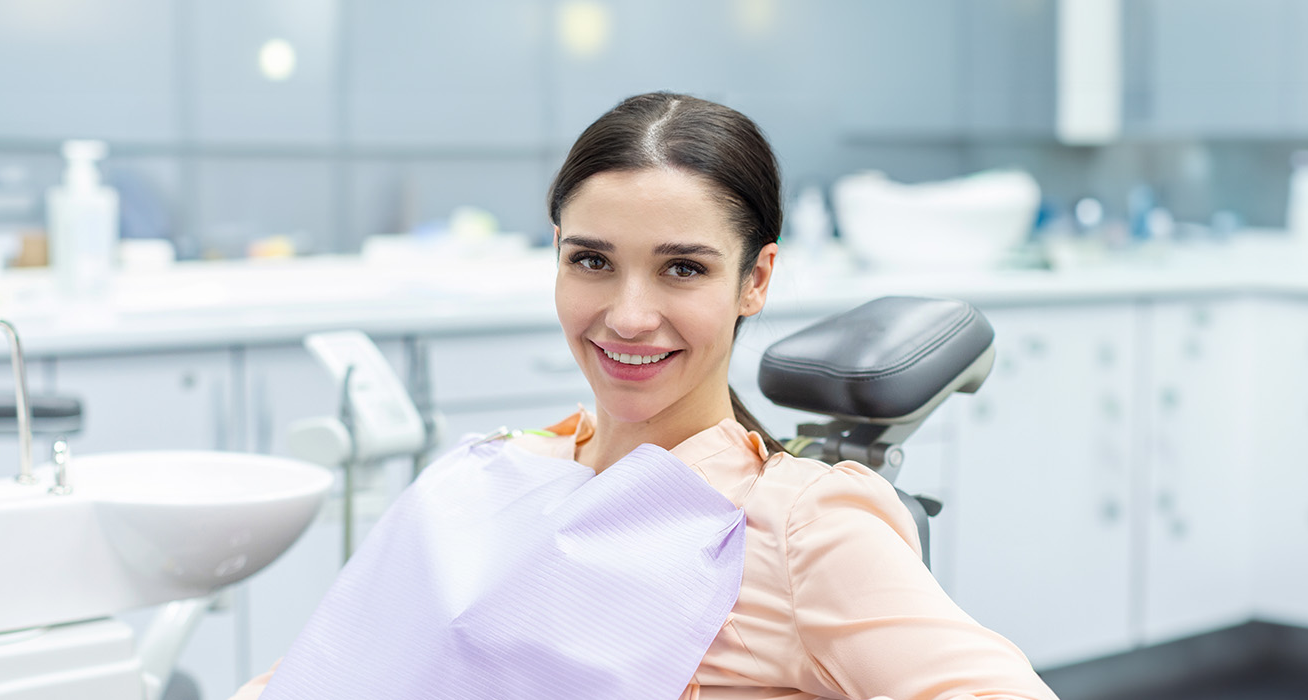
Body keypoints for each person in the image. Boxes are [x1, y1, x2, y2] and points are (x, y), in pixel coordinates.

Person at [229, 92, 1058, 700]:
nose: (627, 317)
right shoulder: (486, 476)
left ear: (755, 278)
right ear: (555, 253)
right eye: (592, 260)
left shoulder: (793, 525)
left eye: (683, 268)